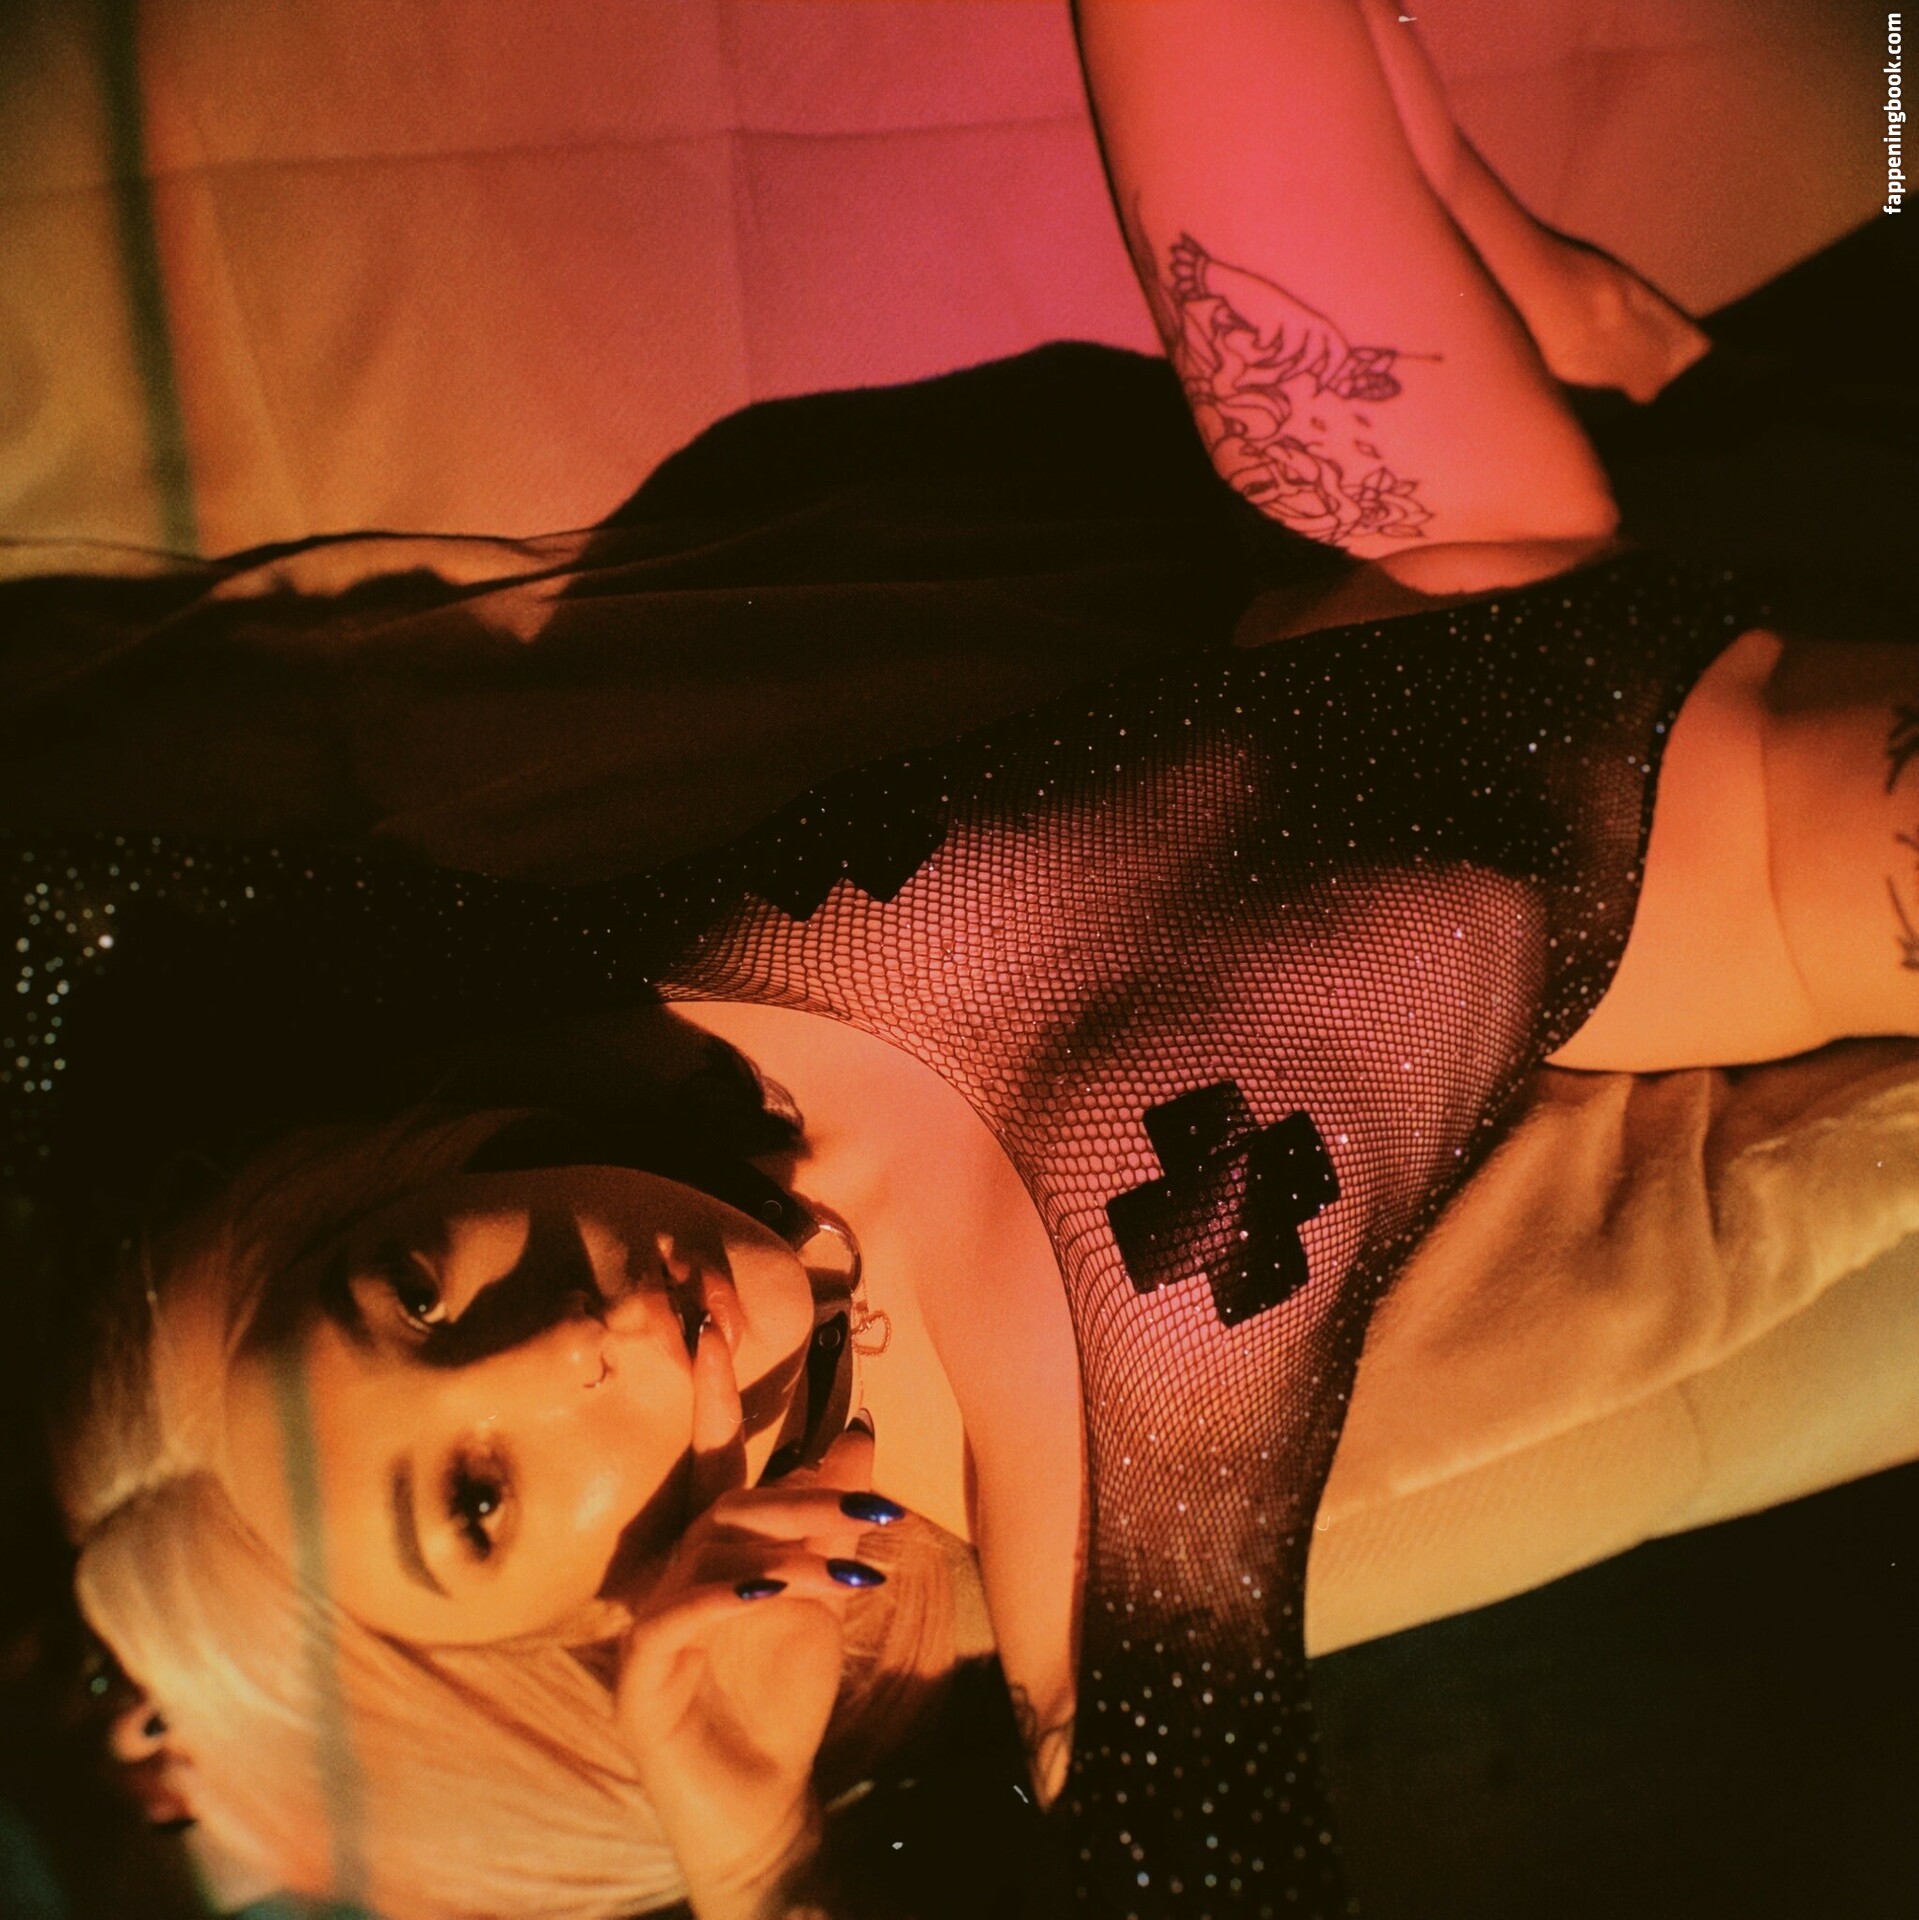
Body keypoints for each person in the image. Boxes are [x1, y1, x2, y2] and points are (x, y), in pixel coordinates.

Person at [12, 4, 1904, 1916]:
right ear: (583, 1637)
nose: (561, 1340)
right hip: (1750, 829)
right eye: (480, 1498)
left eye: (413, 1287)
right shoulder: (1109, 1512)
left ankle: (1663, 378)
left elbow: (63, 923)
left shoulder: (573, 988)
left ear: (407, 1174)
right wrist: (757, 1861)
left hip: (1419, 513)